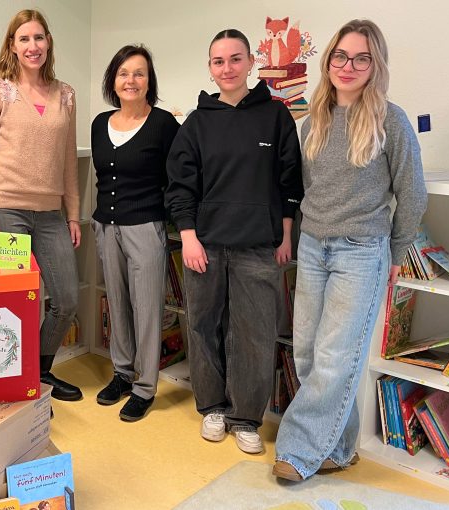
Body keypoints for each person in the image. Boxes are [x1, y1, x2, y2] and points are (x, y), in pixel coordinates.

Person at [273, 19, 427, 481]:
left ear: (374, 65)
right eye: (341, 56)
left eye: (361, 58)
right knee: (306, 353)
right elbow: (308, 189)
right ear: (329, 61)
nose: (348, 65)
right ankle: (339, 448)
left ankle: (297, 454)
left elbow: (413, 193)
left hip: (362, 251)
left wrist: (397, 253)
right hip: (314, 246)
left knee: (337, 358)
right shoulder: (312, 121)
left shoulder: (390, 120)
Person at [165, 29, 303, 454]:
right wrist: (188, 237)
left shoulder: (276, 117)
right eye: (218, 61)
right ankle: (212, 407)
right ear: (210, 67)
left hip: (258, 246)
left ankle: (246, 417)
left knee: (255, 333)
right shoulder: (197, 122)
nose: (227, 68)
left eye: (235, 59)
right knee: (204, 326)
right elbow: (179, 186)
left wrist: (284, 234)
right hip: (203, 245)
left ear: (250, 63)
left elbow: (289, 179)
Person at [0, 9, 82, 401]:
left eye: (38, 38)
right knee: (15, 304)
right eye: (24, 39)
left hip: (51, 214)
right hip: (6, 212)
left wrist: (73, 213)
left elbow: (68, 160)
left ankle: (38, 370)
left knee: (67, 299)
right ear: (13, 46)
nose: (32, 46)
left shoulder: (65, 94)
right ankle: (15, 381)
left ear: (48, 42)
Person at [91, 45, 179, 421]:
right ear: (114, 79)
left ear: (149, 81)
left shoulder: (163, 124)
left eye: (139, 73)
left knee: (147, 308)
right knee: (118, 302)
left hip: (145, 227)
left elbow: (179, 178)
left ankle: (145, 386)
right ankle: (122, 374)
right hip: (106, 227)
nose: (131, 80)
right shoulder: (99, 123)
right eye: (124, 73)